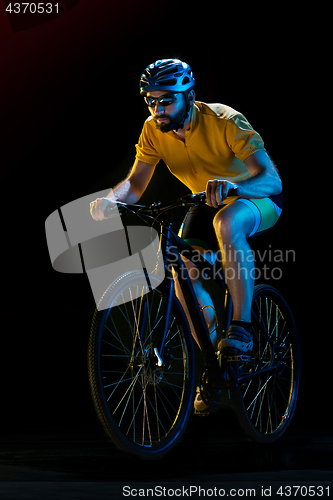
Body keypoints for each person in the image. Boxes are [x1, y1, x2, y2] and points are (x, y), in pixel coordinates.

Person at [90, 59, 283, 398]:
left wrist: (234, 186)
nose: (157, 108)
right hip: (202, 203)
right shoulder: (153, 129)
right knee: (183, 270)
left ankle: (242, 327)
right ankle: (216, 368)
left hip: (254, 198)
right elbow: (135, 184)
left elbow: (271, 179)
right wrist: (110, 200)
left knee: (227, 222)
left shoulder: (225, 121)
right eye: (150, 100)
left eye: (167, 100)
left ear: (189, 96)